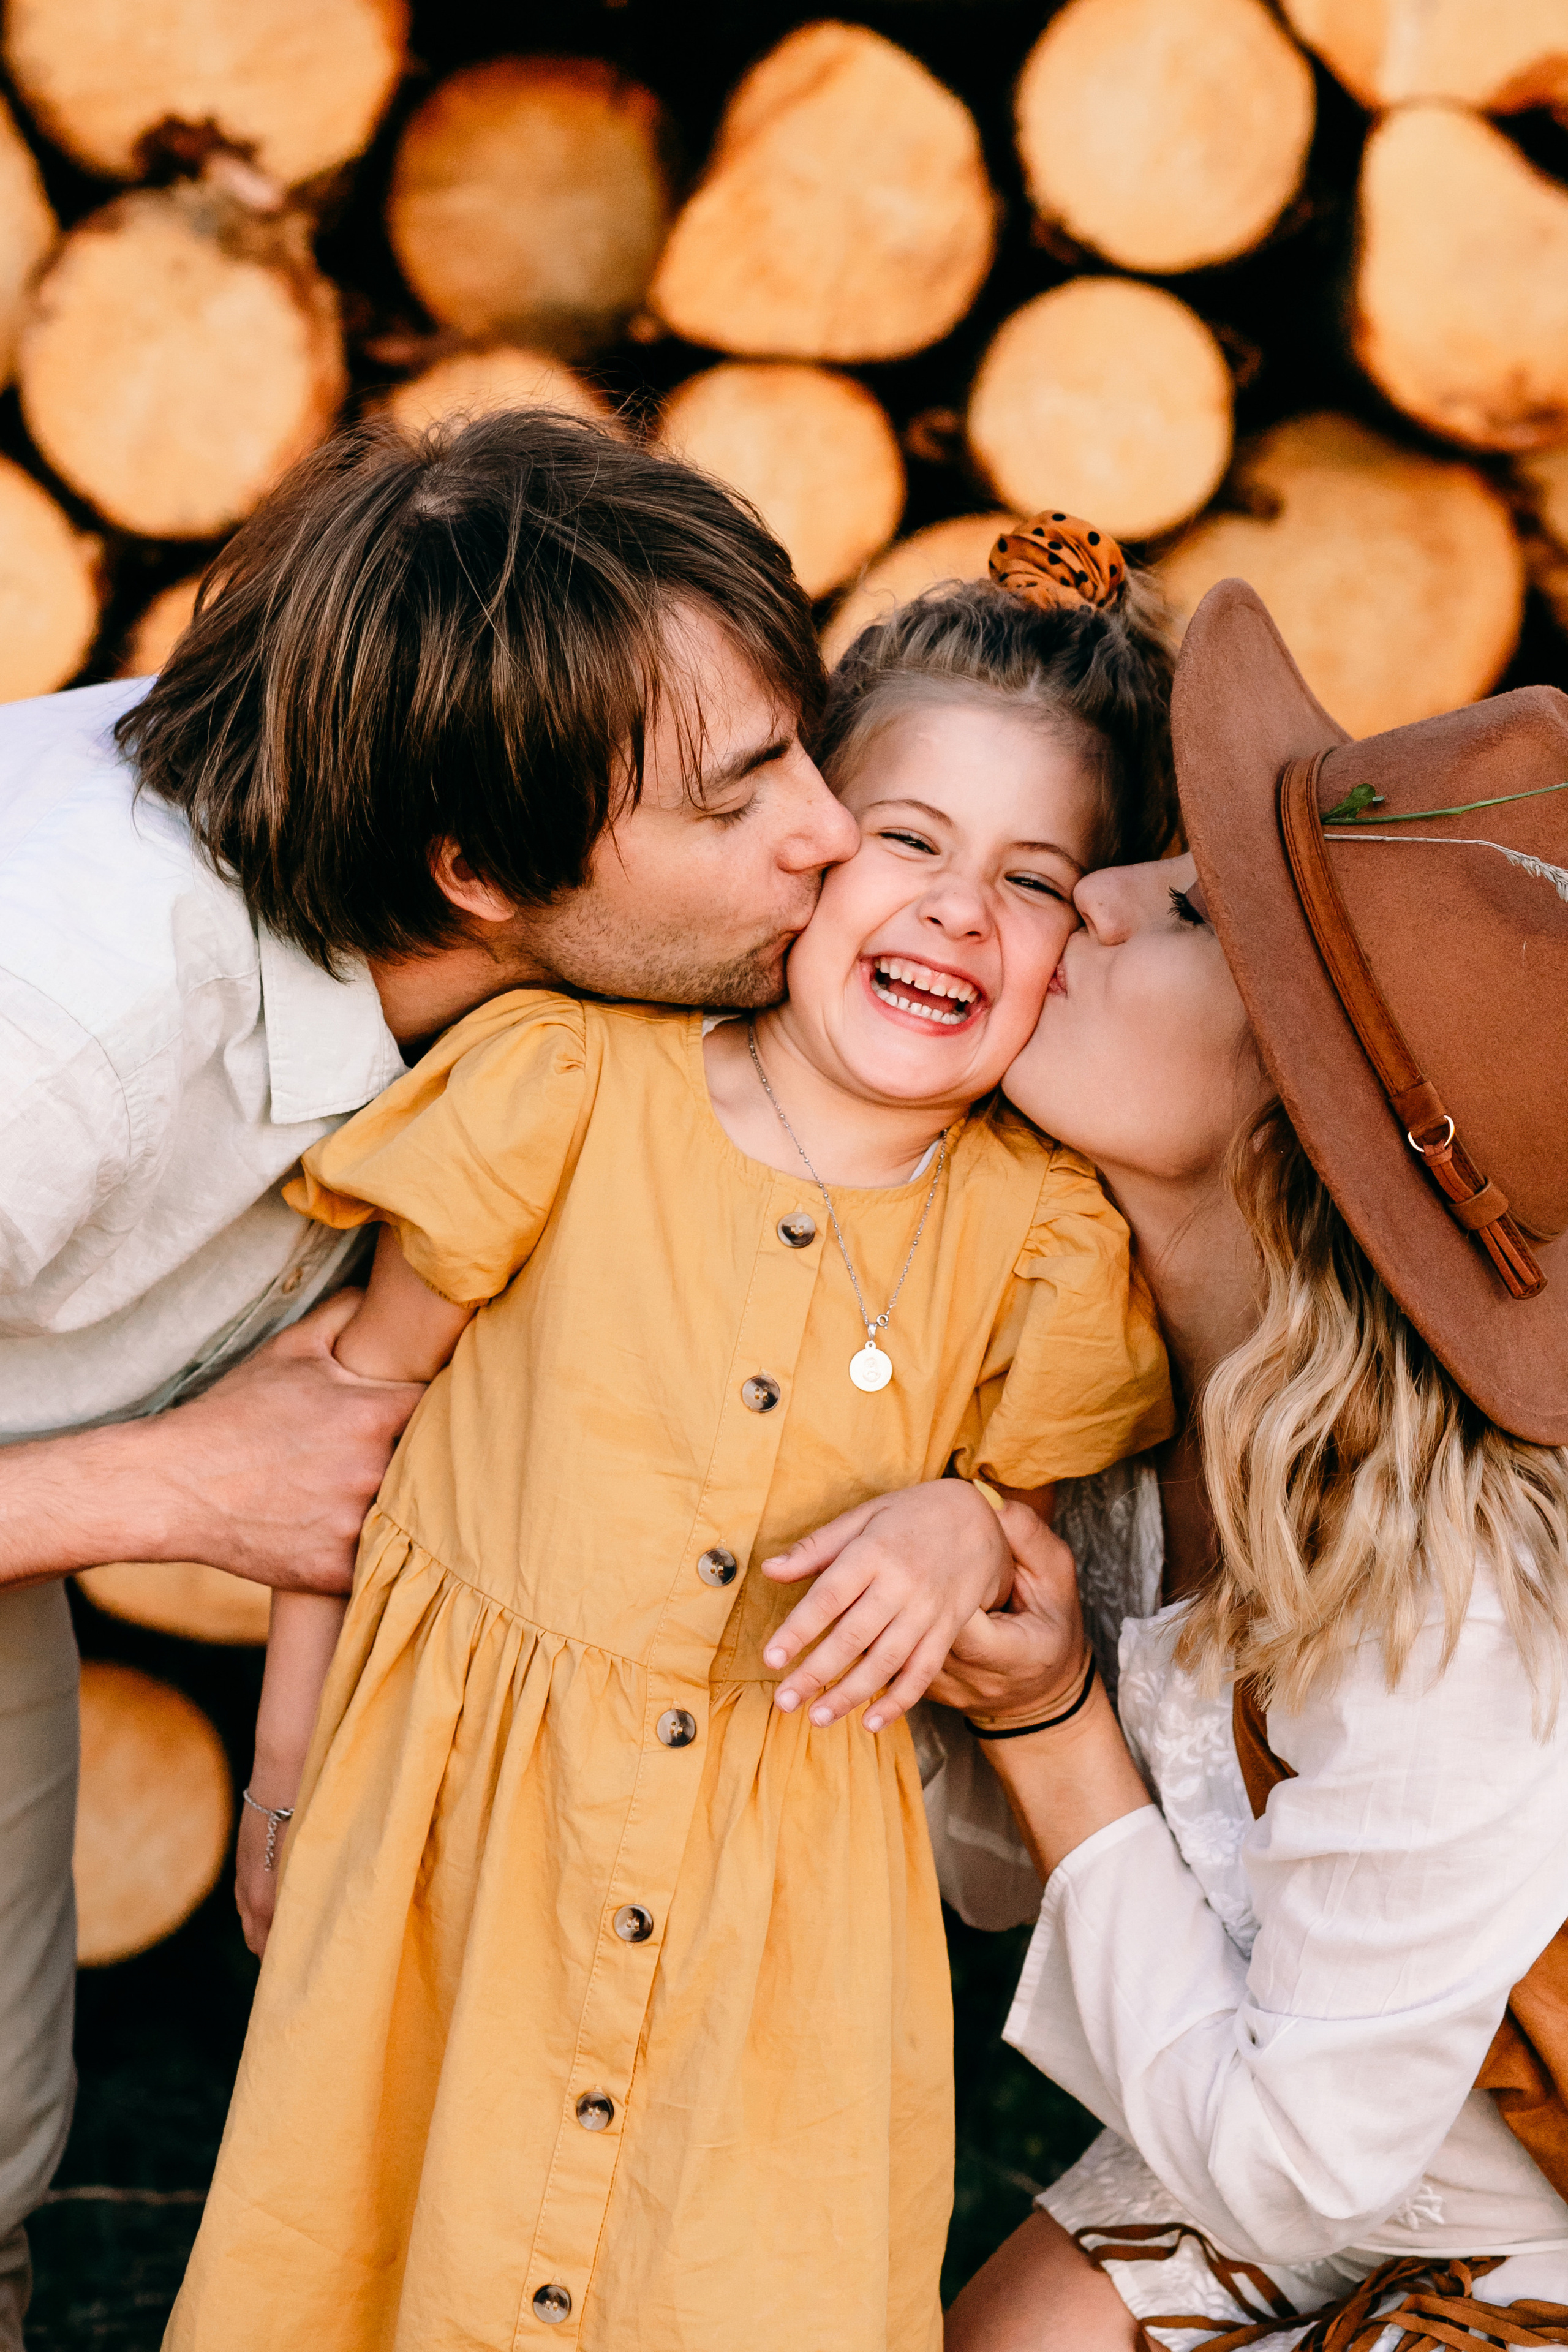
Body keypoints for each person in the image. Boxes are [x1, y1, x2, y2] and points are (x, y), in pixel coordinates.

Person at [164, 521, 1177, 2352]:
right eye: (913, 840)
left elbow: (1033, 1539)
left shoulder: (1042, 1237)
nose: (960, 910)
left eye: (1037, 882)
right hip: (462, 1848)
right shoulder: (567, 1085)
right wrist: (290, 1767)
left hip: (781, 1925)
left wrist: (961, 1520)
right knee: (389, 2258)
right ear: (804, 856)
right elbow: (345, 1433)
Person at [0, 404, 859, 2352]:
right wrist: (175, 1492)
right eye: (736, 802)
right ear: (477, 870)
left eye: (797, 741)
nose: (828, 829)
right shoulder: (60, 1018)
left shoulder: (489, 922)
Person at [839, 579, 1568, 2344]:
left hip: (1510, 2193)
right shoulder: (1101, 1372)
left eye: (1173, 909)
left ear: (1293, 1110)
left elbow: (1296, 2159)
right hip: (1281, 2136)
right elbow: (1004, 1883)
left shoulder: (1440, 1600)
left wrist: (1046, 1715)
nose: (1075, 895)